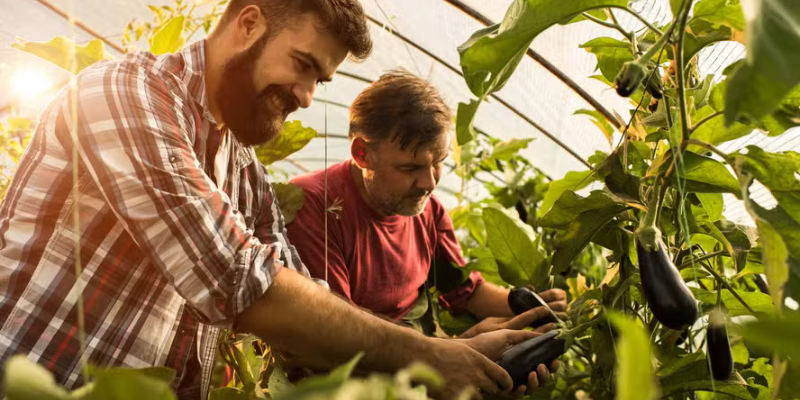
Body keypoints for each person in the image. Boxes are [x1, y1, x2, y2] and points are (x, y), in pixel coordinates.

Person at [0, 2, 535, 399]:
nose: (306, 96)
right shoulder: (122, 95)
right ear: (249, 23)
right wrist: (431, 358)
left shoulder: (243, 171)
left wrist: (466, 349)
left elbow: (312, 305)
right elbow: (239, 280)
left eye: (319, 80)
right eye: (303, 65)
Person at [286, 71, 567, 392]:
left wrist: (533, 309)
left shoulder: (427, 211)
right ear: (362, 154)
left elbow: (464, 292)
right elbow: (336, 337)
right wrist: (448, 351)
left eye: (439, 163)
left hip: (414, 363)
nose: (430, 183)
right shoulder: (315, 207)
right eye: (410, 168)